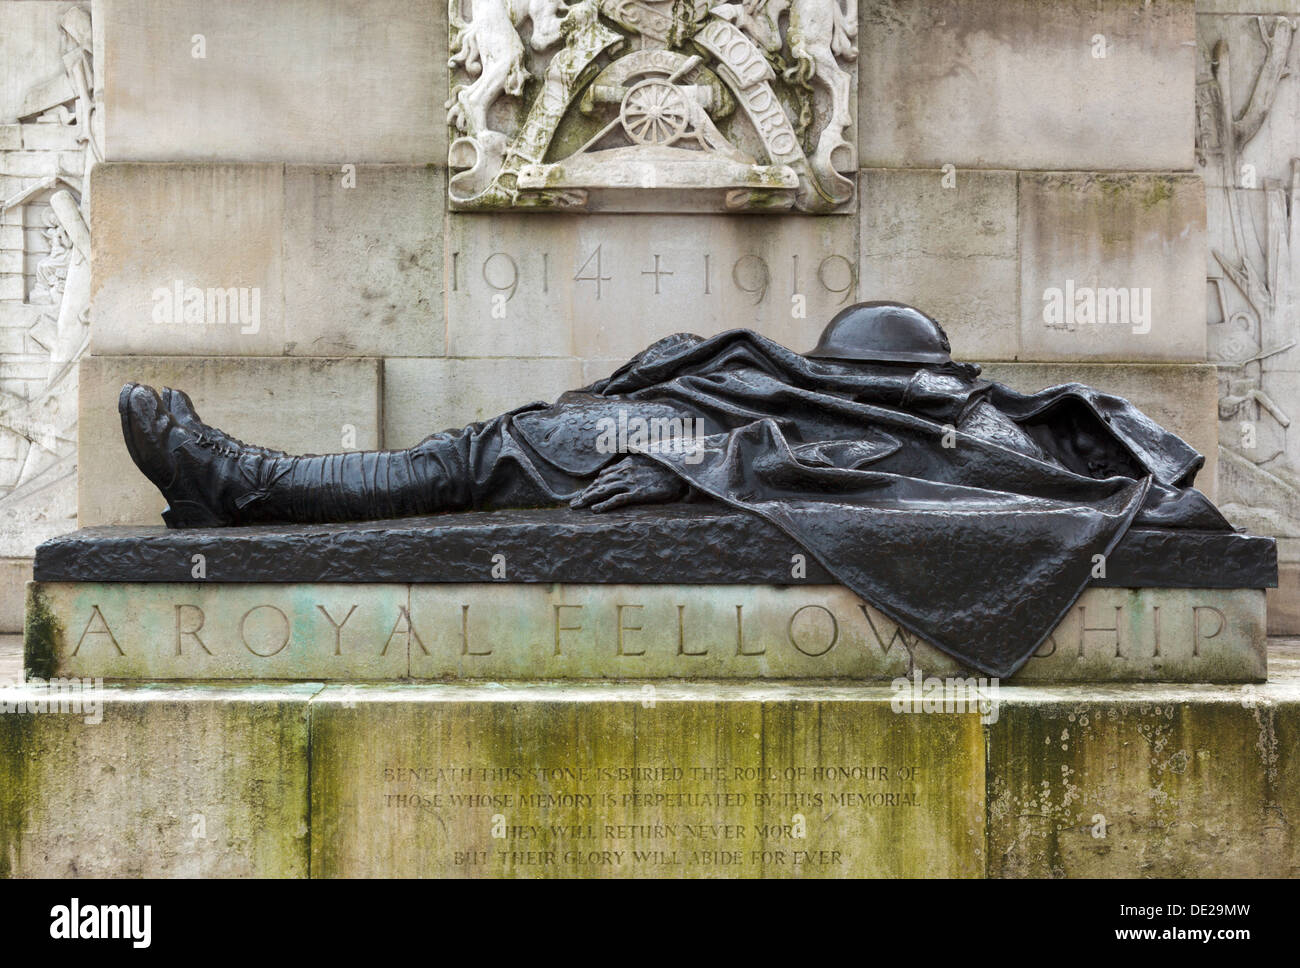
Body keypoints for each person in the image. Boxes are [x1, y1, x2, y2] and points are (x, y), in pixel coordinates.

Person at [118, 301, 1232, 675]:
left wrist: (689, 469)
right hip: (701, 431)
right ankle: (250, 481)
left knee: (485, 454)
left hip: (693, 448)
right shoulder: (985, 419)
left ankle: (253, 483)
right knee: (489, 448)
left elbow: (849, 486)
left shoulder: (990, 445)